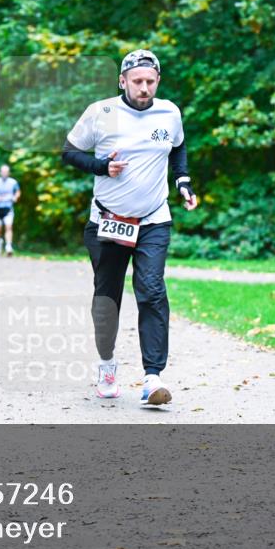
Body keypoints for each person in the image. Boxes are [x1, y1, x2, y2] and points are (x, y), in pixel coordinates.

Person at [61, 49, 198, 405]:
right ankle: (107, 364)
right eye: (137, 81)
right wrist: (100, 166)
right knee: (107, 298)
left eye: (150, 81)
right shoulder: (101, 112)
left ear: (158, 82)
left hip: (153, 219)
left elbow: (178, 148)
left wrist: (182, 181)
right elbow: (69, 153)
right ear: (122, 81)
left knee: (151, 291)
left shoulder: (170, 112)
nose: (144, 88)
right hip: (108, 221)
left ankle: (153, 377)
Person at [0, 164, 21, 256]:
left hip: (8, 208)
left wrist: (15, 197)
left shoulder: (13, 182)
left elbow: (18, 191)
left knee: (8, 226)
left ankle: (8, 247)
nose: (4, 173)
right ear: (0, 172)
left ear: (9, 173)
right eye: (3, 171)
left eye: (6, 172)